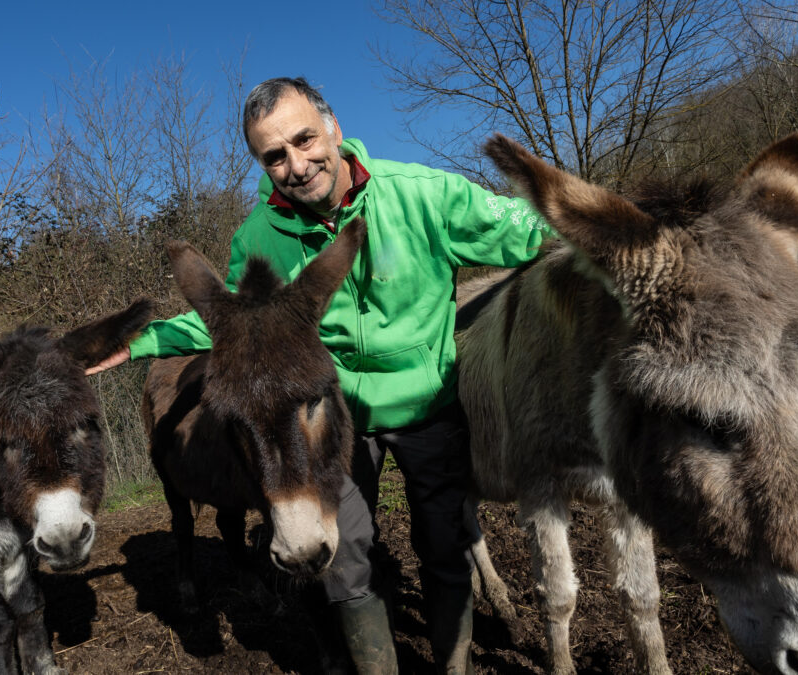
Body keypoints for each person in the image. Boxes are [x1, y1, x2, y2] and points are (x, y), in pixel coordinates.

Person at [89, 77, 555, 674]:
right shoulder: (258, 238)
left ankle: (453, 666)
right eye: (273, 156)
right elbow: (233, 325)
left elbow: (531, 228)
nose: (296, 164)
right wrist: (138, 343)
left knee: (446, 546)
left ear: (333, 127)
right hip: (335, 417)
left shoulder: (424, 194)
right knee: (344, 554)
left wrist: (612, 232)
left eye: (304, 139)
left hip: (427, 403)